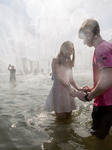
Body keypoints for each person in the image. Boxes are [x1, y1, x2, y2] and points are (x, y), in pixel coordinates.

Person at [77, 19, 112, 139]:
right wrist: (93, 89)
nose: (84, 43)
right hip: (109, 103)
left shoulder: (101, 49)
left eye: (83, 38)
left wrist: (87, 97)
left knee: (97, 141)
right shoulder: (108, 46)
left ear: (88, 32)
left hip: (105, 105)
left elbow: (107, 80)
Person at [44, 41, 83, 119]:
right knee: (61, 118)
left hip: (67, 91)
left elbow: (71, 79)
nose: (71, 52)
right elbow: (58, 77)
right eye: (69, 50)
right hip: (58, 91)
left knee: (69, 116)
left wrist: (79, 88)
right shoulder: (55, 60)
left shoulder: (69, 62)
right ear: (63, 49)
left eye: (72, 51)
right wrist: (69, 89)